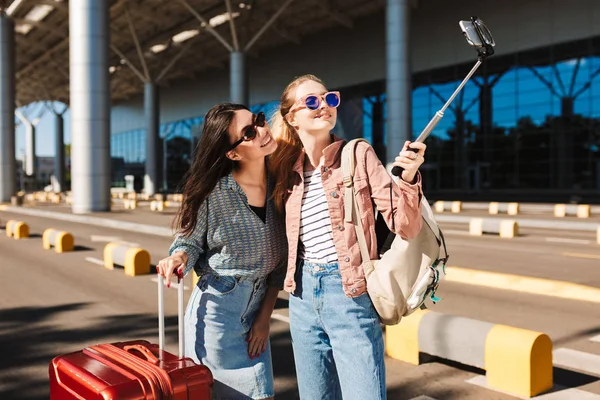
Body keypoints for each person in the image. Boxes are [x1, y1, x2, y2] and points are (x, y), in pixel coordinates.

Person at [269, 74, 426, 400]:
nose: (323, 106)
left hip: (350, 294)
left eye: (329, 98)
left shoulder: (357, 154)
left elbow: (407, 226)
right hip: (301, 298)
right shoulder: (284, 170)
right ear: (291, 117)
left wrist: (409, 177)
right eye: (311, 101)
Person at [157, 103, 288, 400]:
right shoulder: (213, 193)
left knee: (260, 394)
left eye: (258, 121)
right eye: (249, 132)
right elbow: (189, 242)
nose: (262, 132)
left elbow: (279, 266)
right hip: (216, 314)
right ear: (232, 153)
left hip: (257, 309)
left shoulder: (281, 187)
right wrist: (179, 257)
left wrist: (265, 317)